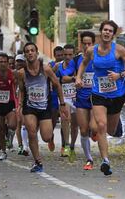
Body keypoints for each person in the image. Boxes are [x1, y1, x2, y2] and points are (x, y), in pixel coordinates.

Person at [75, 20, 125, 176]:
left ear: (113, 34)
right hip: (98, 93)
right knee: (101, 125)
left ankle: (98, 135)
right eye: (105, 30)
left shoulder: (119, 50)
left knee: (111, 129)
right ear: (101, 32)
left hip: (117, 95)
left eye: (110, 31)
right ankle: (105, 161)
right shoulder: (91, 51)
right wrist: (78, 77)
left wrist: (119, 75)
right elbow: (83, 64)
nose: (107, 32)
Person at [17, 42, 68, 172]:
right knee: (32, 132)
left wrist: (62, 104)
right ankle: (38, 162)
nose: (30, 53)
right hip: (30, 107)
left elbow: (57, 85)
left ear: (37, 53)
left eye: (32, 50)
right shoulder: (22, 73)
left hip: (45, 107)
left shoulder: (45, 69)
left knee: (45, 136)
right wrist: (20, 105)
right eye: (27, 51)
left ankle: (50, 138)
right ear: (25, 55)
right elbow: (22, 90)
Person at [62, 31, 97, 170]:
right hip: (81, 98)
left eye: (90, 43)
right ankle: (89, 159)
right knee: (83, 130)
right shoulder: (76, 60)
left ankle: (94, 132)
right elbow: (64, 77)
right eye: (85, 43)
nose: (87, 46)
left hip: (97, 98)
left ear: (93, 44)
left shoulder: (99, 59)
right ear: (81, 44)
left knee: (94, 127)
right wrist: (74, 78)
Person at [57, 44, 78, 162]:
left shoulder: (78, 65)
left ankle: (72, 145)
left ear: (74, 54)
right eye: (65, 54)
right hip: (64, 97)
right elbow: (55, 80)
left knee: (75, 125)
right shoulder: (58, 66)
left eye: (70, 54)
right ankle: (65, 144)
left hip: (76, 97)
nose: (68, 57)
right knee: (65, 119)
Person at [49, 46, 65, 156]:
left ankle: (64, 146)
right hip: (54, 96)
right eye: (58, 56)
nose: (60, 57)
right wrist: (54, 69)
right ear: (54, 56)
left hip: (67, 95)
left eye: (61, 55)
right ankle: (50, 136)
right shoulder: (51, 65)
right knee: (53, 121)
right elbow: (47, 76)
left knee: (65, 121)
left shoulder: (68, 65)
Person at [14, 54, 29, 156]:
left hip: (24, 100)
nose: (19, 63)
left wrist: (20, 102)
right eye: (17, 61)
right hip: (14, 100)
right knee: (19, 123)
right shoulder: (13, 73)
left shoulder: (27, 73)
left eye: (21, 61)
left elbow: (22, 90)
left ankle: (25, 145)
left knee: (25, 123)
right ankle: (22, 145)